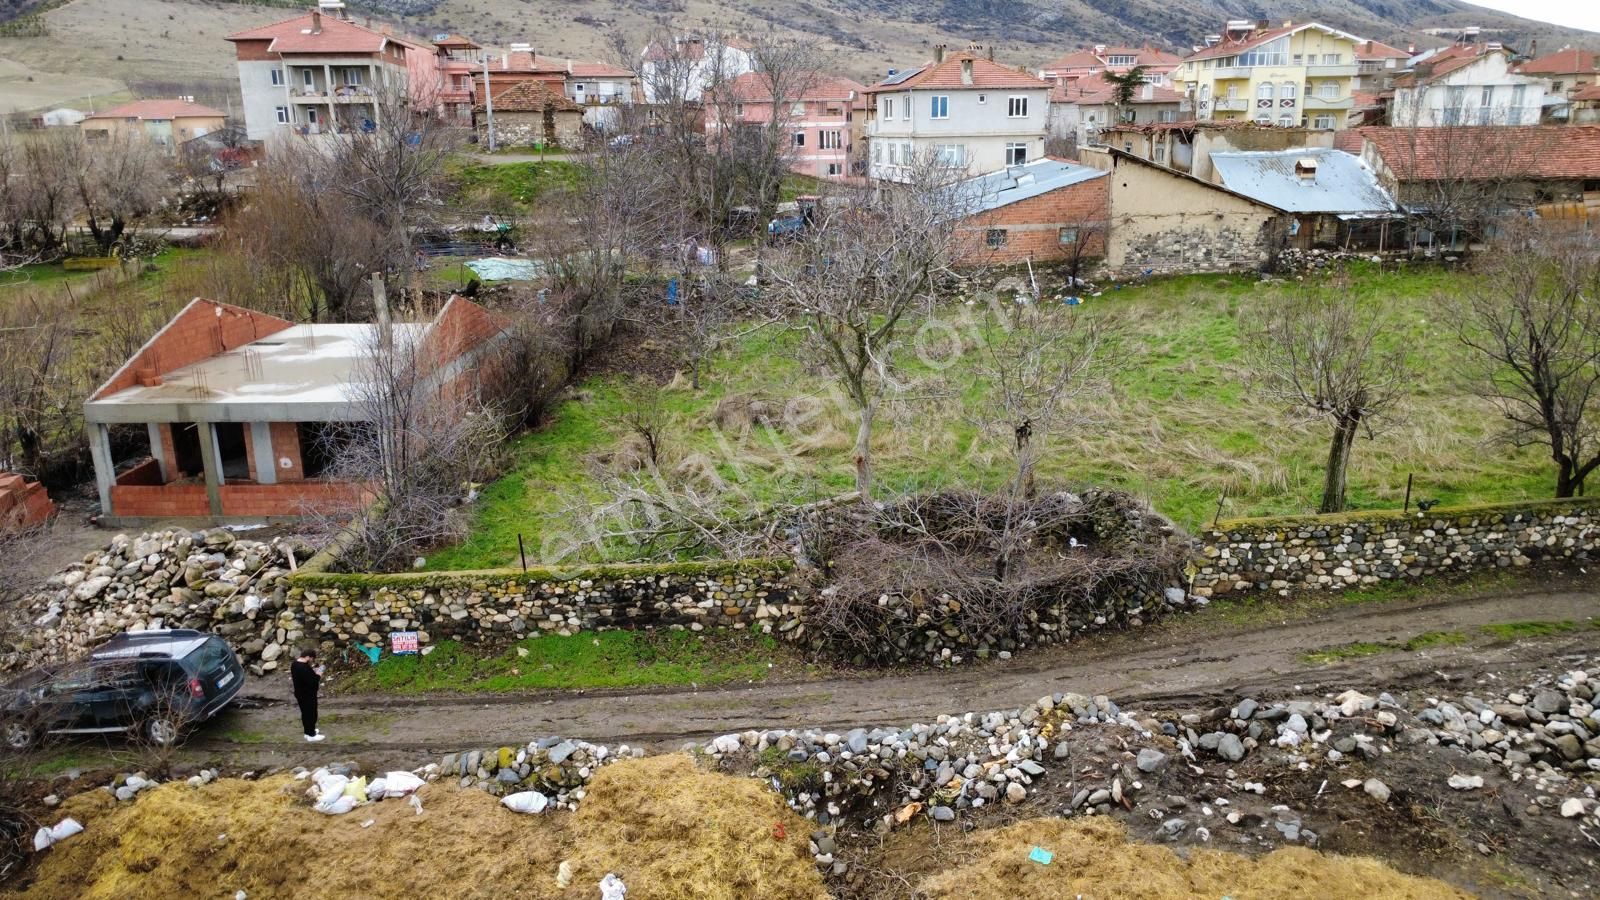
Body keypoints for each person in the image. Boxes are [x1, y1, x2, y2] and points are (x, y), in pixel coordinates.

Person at [290, 649, 325, 742]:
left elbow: (304, 677)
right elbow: (312, 681)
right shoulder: (304, 668)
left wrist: (312, 672)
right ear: (308, 657)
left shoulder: (295, 664)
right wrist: (319, 674)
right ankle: (311, 735)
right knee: (311, 714)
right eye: (312, 658)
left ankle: (307, 732)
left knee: (305, 713)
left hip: (300, 693)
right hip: (307, 695)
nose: (312, 661)